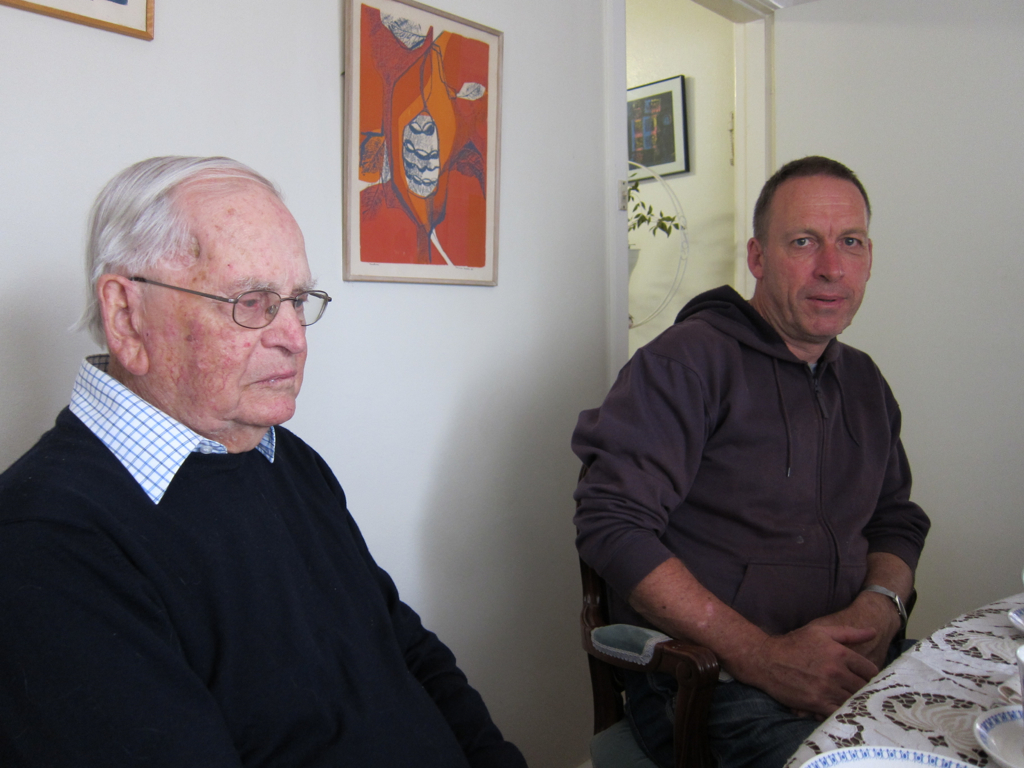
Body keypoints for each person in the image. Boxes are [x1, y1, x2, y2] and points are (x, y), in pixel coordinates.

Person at [0, 156, 526, 768]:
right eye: (251, 301)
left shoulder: (282, 457)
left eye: (298, 300)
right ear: (126, 316)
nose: (295, 338)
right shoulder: (44, 542)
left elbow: (405, 650)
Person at [572, 156, 930, 768]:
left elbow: (896, 519)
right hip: (717, 686)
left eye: (850, 242)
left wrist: (878, 608)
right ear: (758, 259)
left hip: (849, 663)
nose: (831, 267)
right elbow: (613, 525)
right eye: (803, 242)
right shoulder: (685, 364)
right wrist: (764, 656)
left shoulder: (866, 382)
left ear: (869, 258)